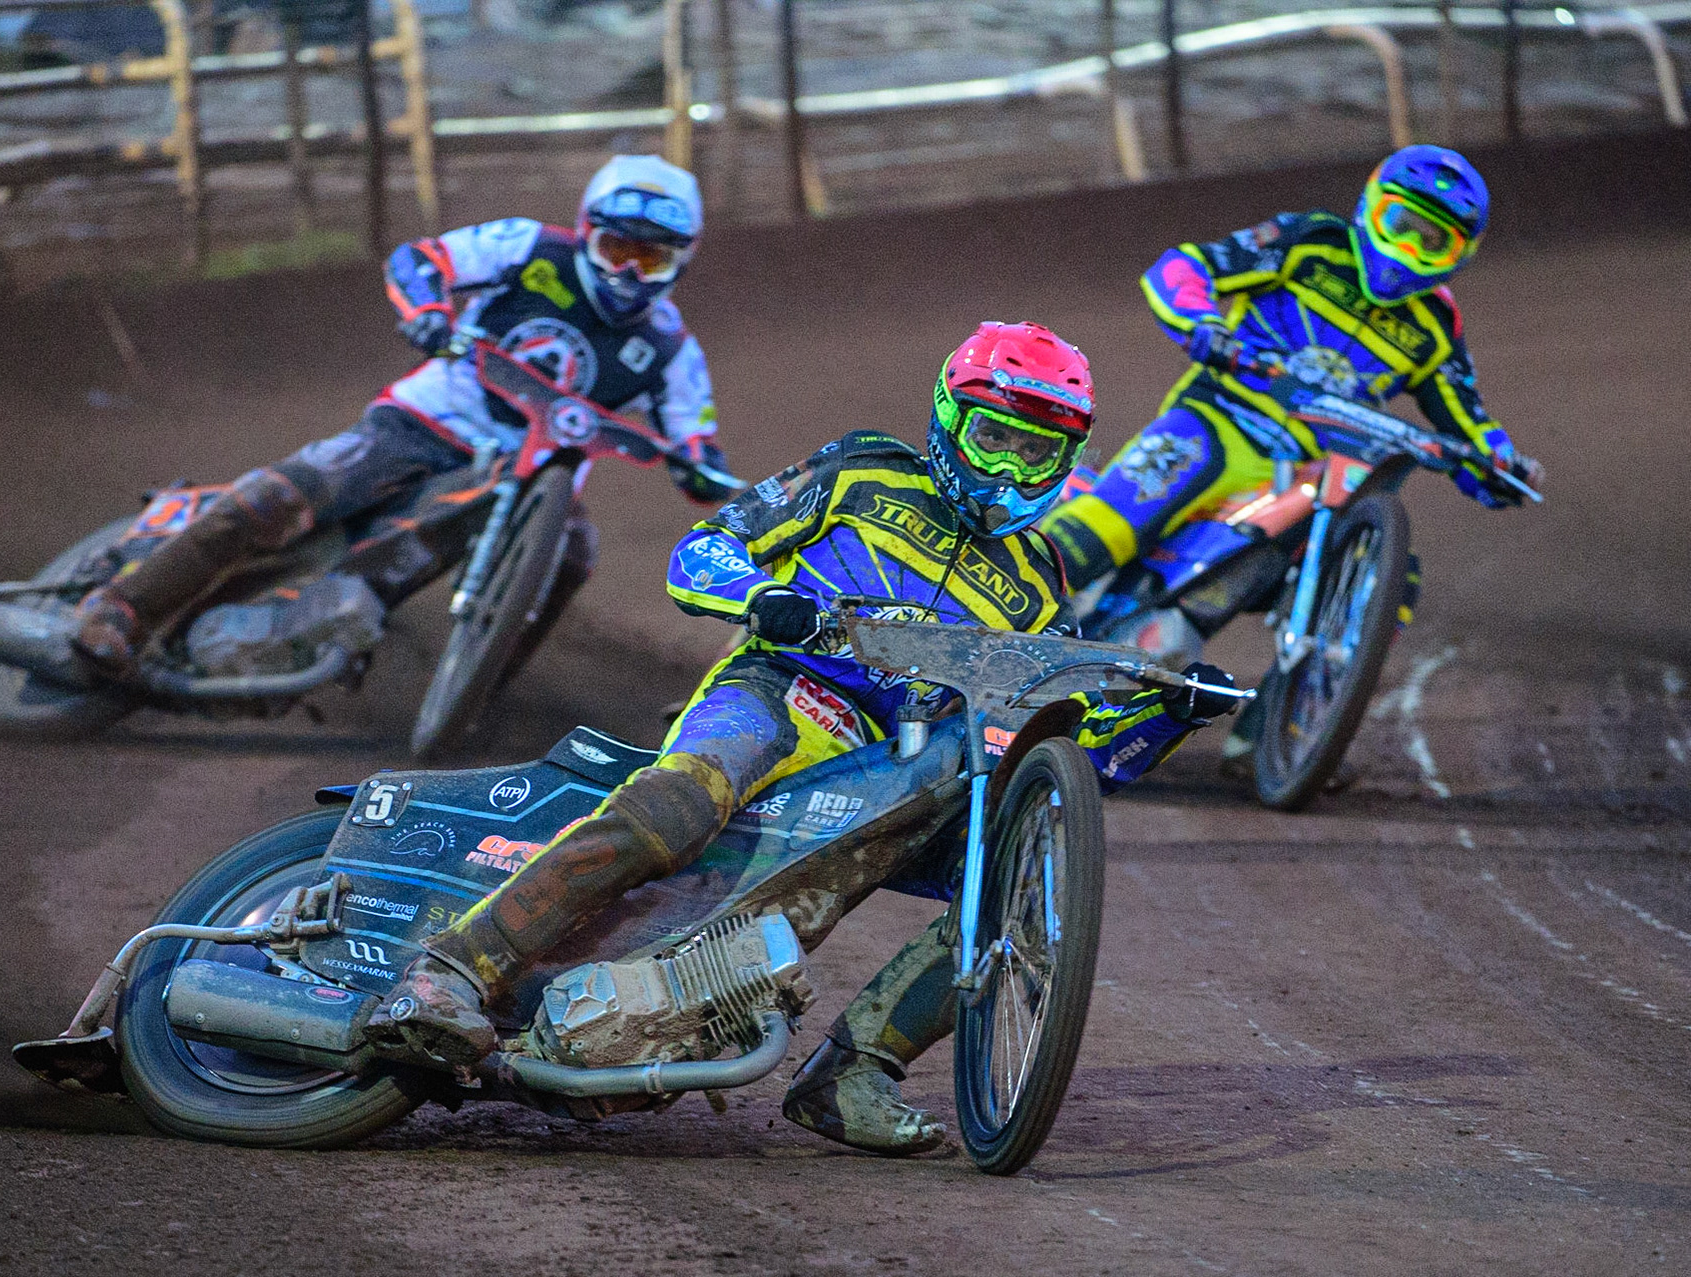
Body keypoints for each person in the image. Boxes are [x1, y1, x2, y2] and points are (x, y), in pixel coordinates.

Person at [365, 323, 1243, 1158]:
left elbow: (1066, 768)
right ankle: (450, 968)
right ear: (948, 419)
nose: (1010, 466)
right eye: (993, 437)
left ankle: (850, 1072)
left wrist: (1170, 714)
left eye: (1036, 450)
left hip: (892, 766)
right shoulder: (862, 471)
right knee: (685, 801)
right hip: (779, 692)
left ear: (1067, 460)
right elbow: (704, 549)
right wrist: (760, 599)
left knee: (1006, 888)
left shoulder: (1042, 588)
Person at [73, 155, 735, 675]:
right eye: (619, 250)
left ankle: (482, 697)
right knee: (280, 496)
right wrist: (427, 310)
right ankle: (123, 606)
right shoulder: (529, 246)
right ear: (588, 234)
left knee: (572, 553)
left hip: (528, 477)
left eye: (650, 258)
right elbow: (422, 259)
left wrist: (707, 472)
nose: (629, 272)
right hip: (427, 421)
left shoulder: (674, 349)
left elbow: (696, 441)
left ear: (682, 260)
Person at [1041, 144, 1541, 602]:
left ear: (1458, 257)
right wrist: (1203, 324)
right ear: (1371, 207)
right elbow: (1183, 268)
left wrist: (1505, 467)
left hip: (1318, 472)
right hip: (1219, 418)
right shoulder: (1309, 242)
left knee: (1391, 579)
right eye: (1401, 223)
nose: (1409, 247)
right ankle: (992, 611)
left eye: (1431, 241)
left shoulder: (1435, 326)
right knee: (1105, 525)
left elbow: (1469, 421)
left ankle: (1303, 691)